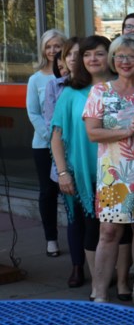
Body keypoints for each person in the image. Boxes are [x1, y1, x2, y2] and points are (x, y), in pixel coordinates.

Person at [83, 35, 134, 307]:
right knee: (109, 232)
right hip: (113, 171)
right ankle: (100, 291)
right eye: (120, 56)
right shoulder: (101, 91)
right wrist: (127, 131)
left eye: (132, 56)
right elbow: (92, 133)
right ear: (113, 60)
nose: (125, 62)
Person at [50, 36, 114, 296]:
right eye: (88, 55)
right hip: (84, 172)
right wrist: (63, 172)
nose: (93, 60)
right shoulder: (70, 92)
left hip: (117, 170)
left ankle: (121, 280)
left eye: (99, 54)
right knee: (92, 227)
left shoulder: (121, 87)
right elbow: (56, 136)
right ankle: (99, 283)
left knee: (119, 228)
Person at [43, 37, 85, 285]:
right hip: (66, 161)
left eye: (78, 54)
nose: (72, 58)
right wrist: (63, 169)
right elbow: (52, 128)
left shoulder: (100, 85)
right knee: (73, 217)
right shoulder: (55, 87)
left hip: (94, 161)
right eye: (67, 54)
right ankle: (77, 266)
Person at [28, 29, 65, 258]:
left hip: (69, 144)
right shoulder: (36, 79)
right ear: (43, 49)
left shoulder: (72, 75)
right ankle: (51, 239)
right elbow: (33, 112)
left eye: (57, 46)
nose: (53, 51)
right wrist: (50, 138)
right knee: (48, 192)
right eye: (49, 46)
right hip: (43, 144)